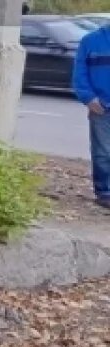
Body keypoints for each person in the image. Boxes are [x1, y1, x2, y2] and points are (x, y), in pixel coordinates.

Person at [73, 18, 110, 209]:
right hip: (101, 107)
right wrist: (88, 98)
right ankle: (104, 192)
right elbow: (79, 72)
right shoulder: (91, 41)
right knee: (102, 152)